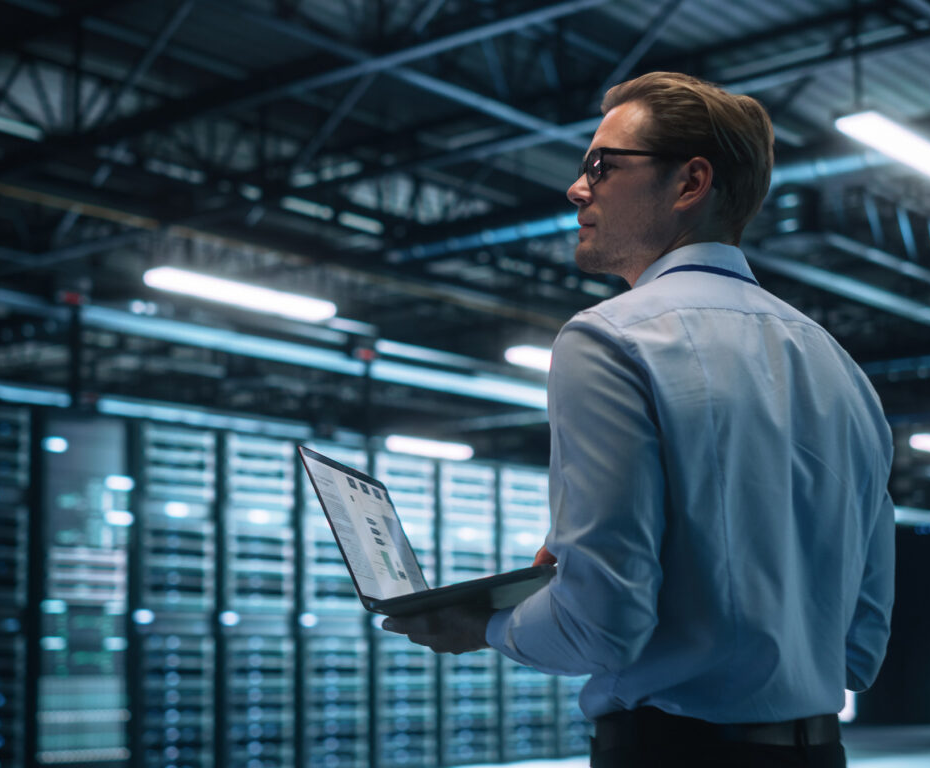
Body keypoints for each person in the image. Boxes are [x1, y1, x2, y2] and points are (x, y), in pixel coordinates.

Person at [382, 71, 895, 768]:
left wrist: (487, 625)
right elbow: (861, 648)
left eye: (602, 165)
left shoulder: (610, 339)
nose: (576, 188)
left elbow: (603, 625)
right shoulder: (842, 368)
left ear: (690, 183)